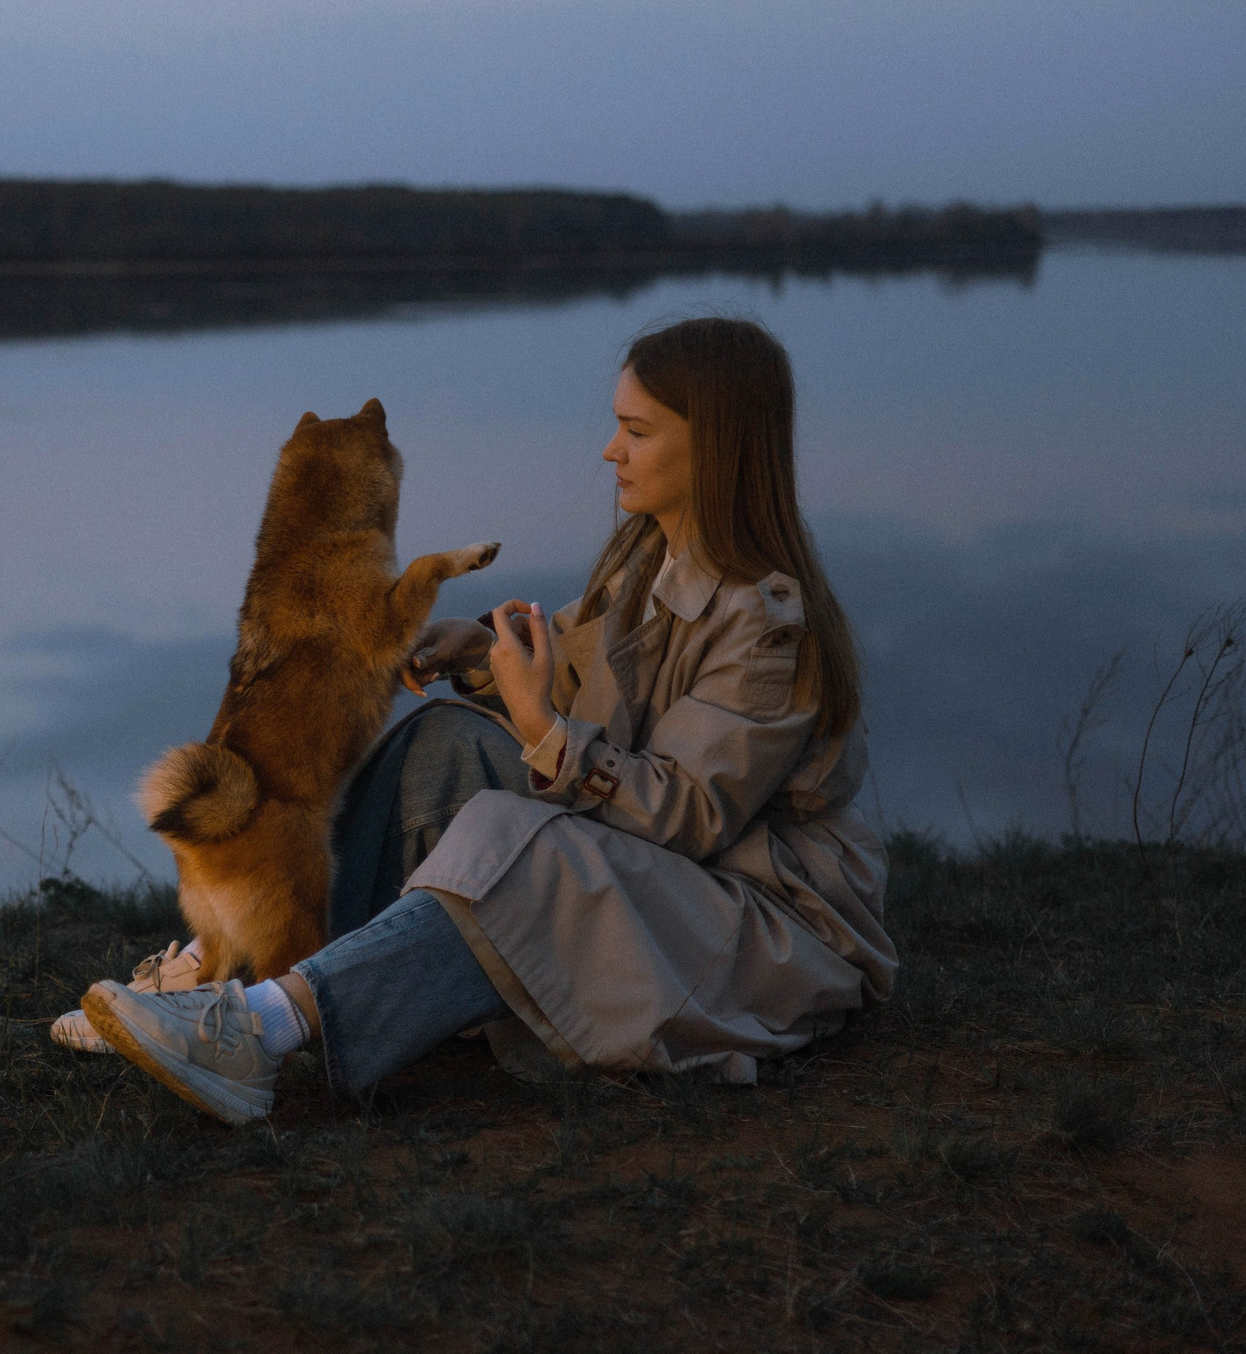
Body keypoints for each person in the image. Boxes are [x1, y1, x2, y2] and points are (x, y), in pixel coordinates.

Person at [68, 315, 898, 1125]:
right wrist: (478, 652)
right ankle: (249, 983)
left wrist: (542, 726)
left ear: (713, 446)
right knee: (440, 743)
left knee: (518, 838)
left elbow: (691, 816)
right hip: (674, 882)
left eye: (636, 431)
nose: (611, 450)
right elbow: (578, 662)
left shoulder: (767, 626)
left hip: (762, 929)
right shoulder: (652, 555)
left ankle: (262, 1029)